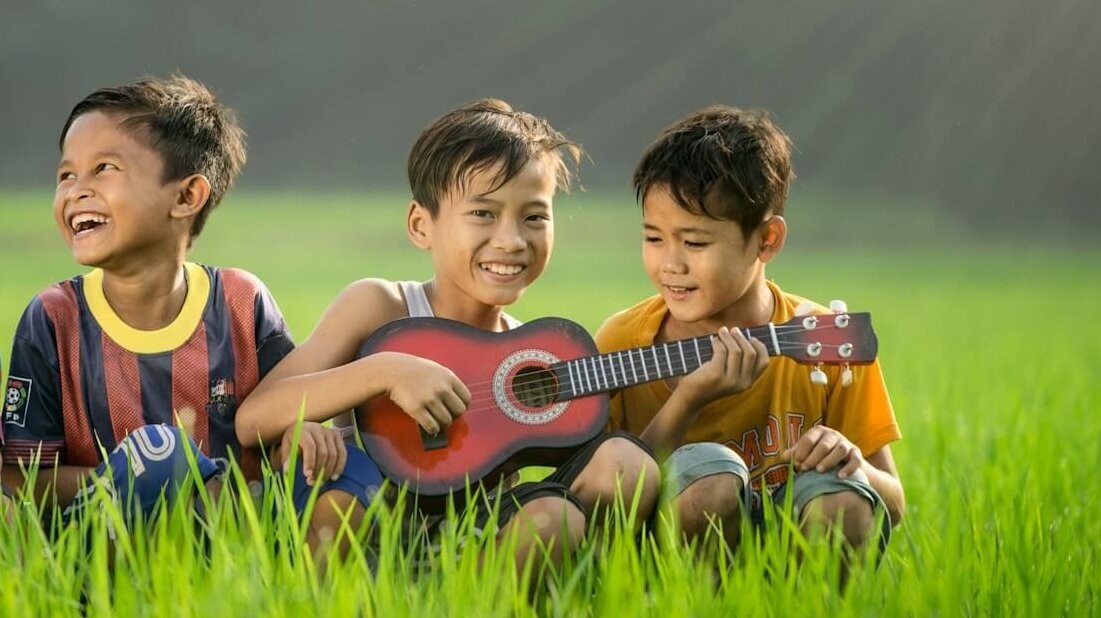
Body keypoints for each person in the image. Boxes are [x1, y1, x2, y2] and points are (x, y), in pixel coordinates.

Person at [236, 99, 660, 575]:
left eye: (535, 217)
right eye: (483, 213)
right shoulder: (383, 306)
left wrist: (698, 389)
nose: (512, 240)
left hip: (482, 541)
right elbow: (255, 416)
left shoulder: (530, 353)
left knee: (611, 474)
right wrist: (386, 371)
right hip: (376, 532)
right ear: (422, 225)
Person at [0, 76, 341, 533]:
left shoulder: (242, 301)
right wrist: (149, 476)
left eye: (104, 168)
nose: (75, 190)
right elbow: (22, 478)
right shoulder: (53, 317)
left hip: (235, 544)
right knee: (163, 454)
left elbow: (283, 428)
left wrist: (306, 437)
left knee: (350, 465)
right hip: (105, 550)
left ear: (186, 196)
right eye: (66, 175)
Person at [595, 106, 905, 558]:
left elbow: (893, 504)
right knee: (709, 485)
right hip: (665, 568)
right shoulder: (621, 341)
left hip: (789, 552)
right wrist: (688, 399)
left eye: (695, 242)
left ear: (768, 240)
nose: (670, 264)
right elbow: (605, 508)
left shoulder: (825, 343)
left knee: (842, 500)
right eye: (653, 238)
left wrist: (854, 465)